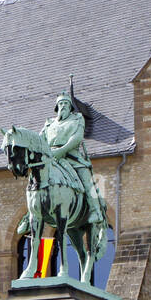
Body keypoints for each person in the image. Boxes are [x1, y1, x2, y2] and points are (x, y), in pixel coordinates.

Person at [40, 91, 106, 226]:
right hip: (51, 158)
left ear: (70, 107)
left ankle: (95, 210)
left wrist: (61, 150)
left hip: (71, 156)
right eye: (60, 104)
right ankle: (30, 215)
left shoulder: (77, 119)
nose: (63, 106)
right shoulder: (49, 123)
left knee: (86, 179)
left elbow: (76, 138)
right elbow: (39, 140)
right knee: (35, 182)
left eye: (66, 103)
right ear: (57, 107)